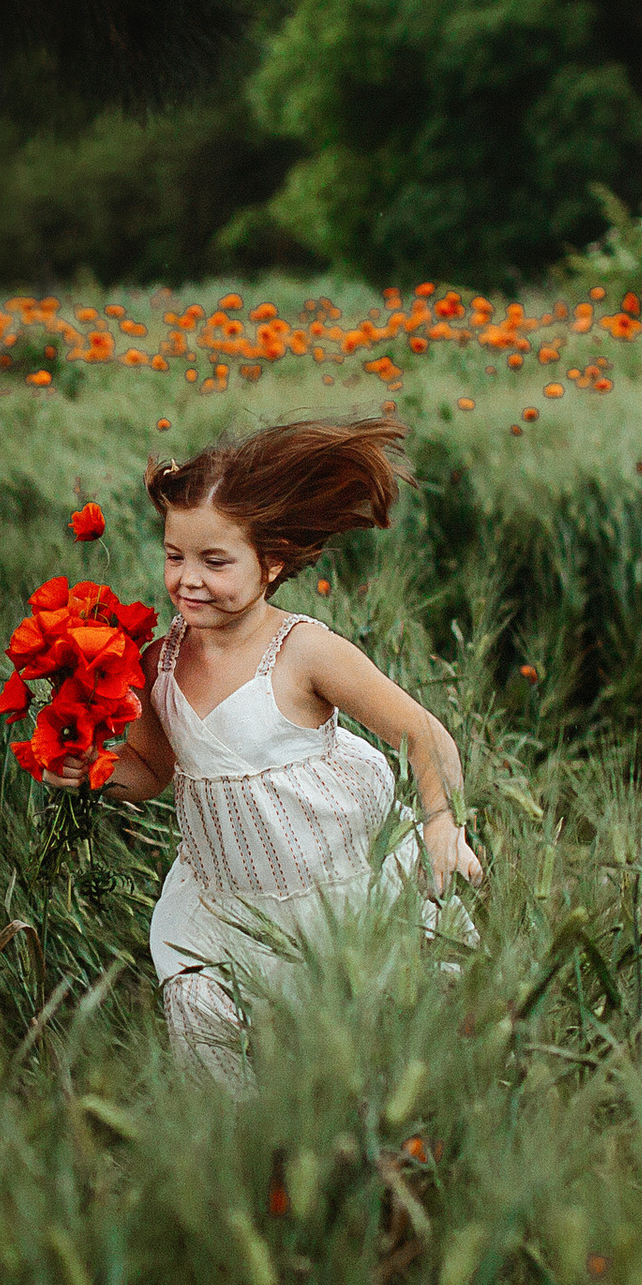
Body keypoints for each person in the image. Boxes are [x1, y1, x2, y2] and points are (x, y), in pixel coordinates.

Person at [43, 419, 482, 1084]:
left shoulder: (302, 651)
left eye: (215, 562)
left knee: (371, 1052)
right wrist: (93, 772)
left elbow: (424, 736)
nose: (188, 580)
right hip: (223, 901)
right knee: (215, 1050)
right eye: (174, 556)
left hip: (332, 888)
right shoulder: (156, 662)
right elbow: (154, 771)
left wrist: (442, 824)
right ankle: (240, 1164)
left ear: (271, 562)